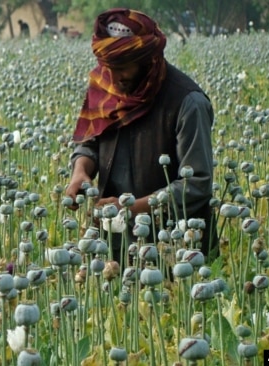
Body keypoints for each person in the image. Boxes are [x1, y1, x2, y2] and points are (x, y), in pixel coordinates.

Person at [65, 8, 216, 263]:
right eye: (108, 67)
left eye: (123, 68)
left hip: (174, 248)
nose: (114, 77)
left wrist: (134, 208)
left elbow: (197, 183)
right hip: (112, 244)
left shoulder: (187, 103)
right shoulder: (106, 85)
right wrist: (80, 171)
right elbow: (89, 143)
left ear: (147, 61)